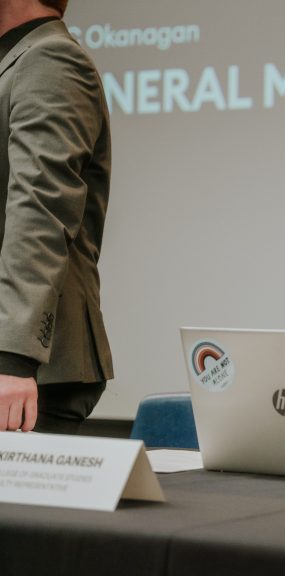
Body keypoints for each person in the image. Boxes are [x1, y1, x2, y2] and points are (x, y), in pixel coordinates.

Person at [0, 0, 113, 433]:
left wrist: (13, 358)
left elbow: (40, 209)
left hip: (30, 371)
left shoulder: (50, 59)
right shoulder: (16, 62)